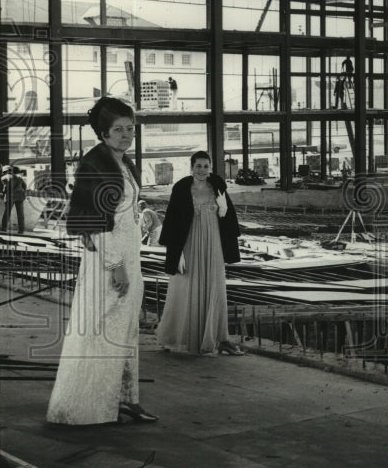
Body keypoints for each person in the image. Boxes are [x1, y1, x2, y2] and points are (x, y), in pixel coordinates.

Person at [47, 96, 157, 425]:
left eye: (130, 129)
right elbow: (92, 223)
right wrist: (116, 266)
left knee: (124, 331)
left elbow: (121, 209)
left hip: (128, 254)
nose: (126, 135)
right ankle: (85, 408)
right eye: (119, 130)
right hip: (109, 260)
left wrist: (138, 224)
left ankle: (124, 399)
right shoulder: (95, 165)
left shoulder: (123, 162)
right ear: (103, 133)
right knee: (101, 331)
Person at [156, 151, 243, 356]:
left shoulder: (218, 187)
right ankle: (185, 337)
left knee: (215, 286)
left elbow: (228, 217)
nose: (202, 170)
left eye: (205, 166)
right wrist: (176, 252)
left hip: (213, 242)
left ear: (210, 168)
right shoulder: (181, 189)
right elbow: (173, 221)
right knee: (187, 286)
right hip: (190, 243)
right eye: (198, 166)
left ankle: (220, 338)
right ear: (191, 167)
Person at [1, 165, 27, 233]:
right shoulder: (20, 177)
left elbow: (5, 188)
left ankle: (4, 228)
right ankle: (21, 230)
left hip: (11, 196)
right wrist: (23, 193)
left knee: (7, 212)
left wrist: (3, 194)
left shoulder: (4, 177)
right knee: (20, 214)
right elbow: (25, 186)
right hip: (20, 196)